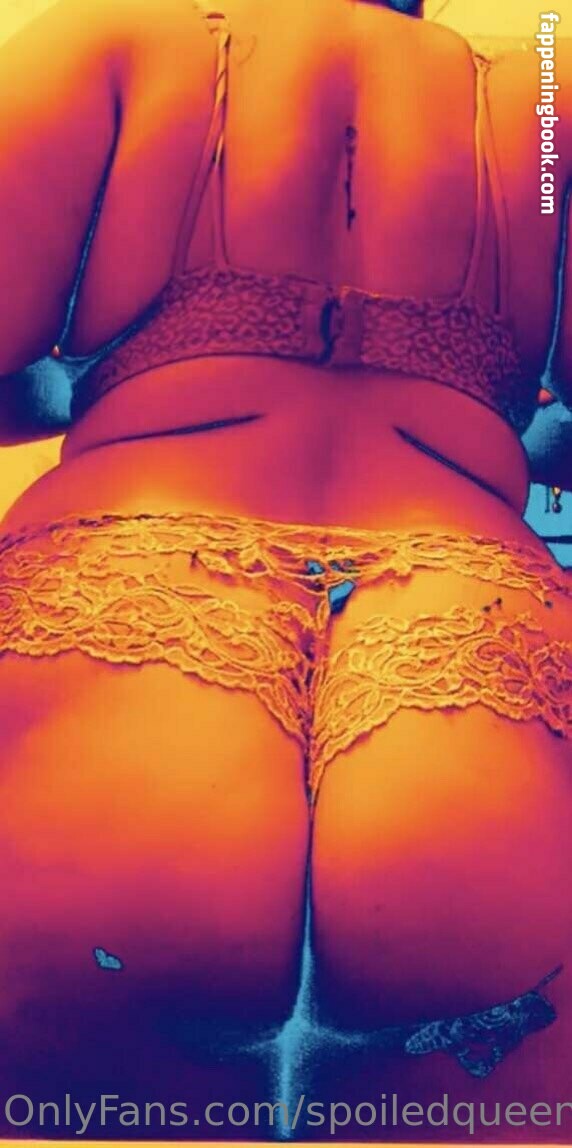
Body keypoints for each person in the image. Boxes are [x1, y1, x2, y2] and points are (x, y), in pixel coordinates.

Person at [0, 0, 571, 1139]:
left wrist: (115, 373)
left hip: (131, 591)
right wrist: (480, 415)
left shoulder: (107, 38)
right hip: (472, 633)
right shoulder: (546, 106)